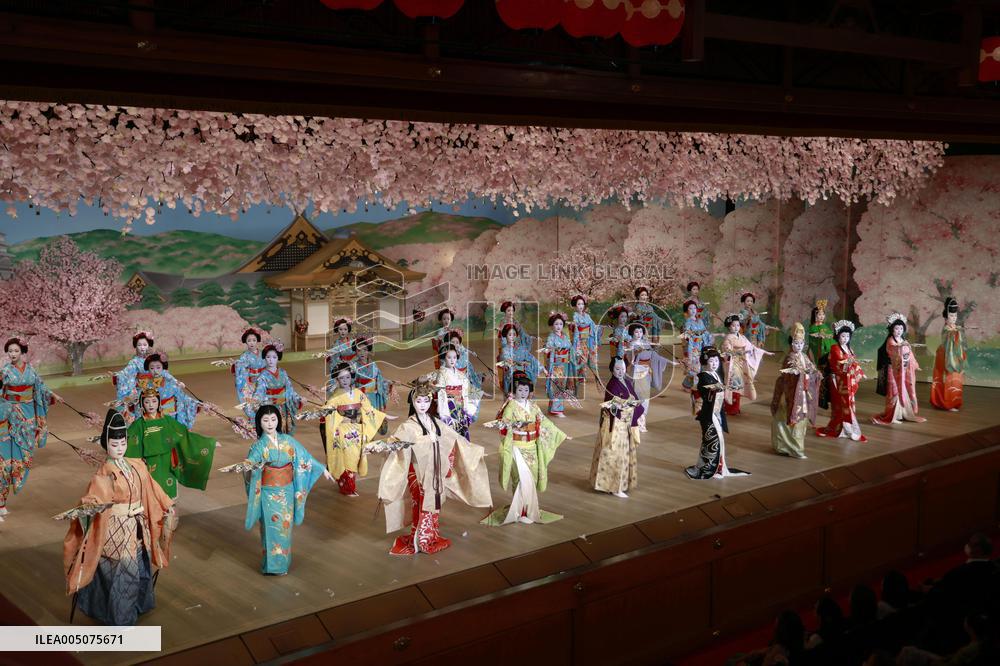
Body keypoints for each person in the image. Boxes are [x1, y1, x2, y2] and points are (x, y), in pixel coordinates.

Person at [62, 410, 175, 625]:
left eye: (123, 443)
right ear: (106, 445)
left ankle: (132, 605)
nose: (120, 448)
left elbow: (152, 486)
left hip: (138, 525)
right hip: (117, 528)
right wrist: (88, 507)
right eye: (115, 444)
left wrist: (167, 504)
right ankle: (122, 619)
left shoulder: (136, 464)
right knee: (124, 574)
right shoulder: (104, 473)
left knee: (139, 567)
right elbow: (94, 498)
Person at [375, 376, 492, 555]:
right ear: (413, 402)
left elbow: (456, 440)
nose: (422, 405)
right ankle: (420, 540)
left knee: (434, 504)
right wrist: (382, 446)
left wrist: (474, 452)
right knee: (422, 503)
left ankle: (429, 536)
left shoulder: (436, 423)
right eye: (418, 401)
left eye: (426, 401)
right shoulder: (408, 426)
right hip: (417, 473)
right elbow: (396, 443)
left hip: (435, 472)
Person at [238, 405, 334, 575]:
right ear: (259, 422)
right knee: (270, 528)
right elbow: (251, 463)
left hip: (287, 492)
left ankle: (282, 565)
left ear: (278, 420)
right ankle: (271, 567)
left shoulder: (288, 441)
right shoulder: (259, 446)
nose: (270, 424)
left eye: (273, 419)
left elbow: (305, 458)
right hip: (268, 493)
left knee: (284, 529)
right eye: (265, 420)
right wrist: (249, 466)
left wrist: (322, 469)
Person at [482, 372, 569, 526]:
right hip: (517, 446)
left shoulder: (533, 406)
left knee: (531, 478)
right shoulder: (511, 405)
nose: (523, 393)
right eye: (520, 390)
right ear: (514, 390)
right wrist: (503, 424)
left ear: (530, 391)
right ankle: (519, 512)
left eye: (526, 390)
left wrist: (561, 434)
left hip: (532, 446)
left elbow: (545, 422)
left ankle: (528, 510)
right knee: (520, 479)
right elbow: (505, 421)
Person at [1, 337, 60, 517]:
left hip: (28, 417)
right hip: (10, 416)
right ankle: (1, 502)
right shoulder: (5, 371)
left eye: (16, 351)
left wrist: (53, 395)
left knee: (23, 454)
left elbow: (41, 388)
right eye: (10, 351)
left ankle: (3, 500)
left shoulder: (31, 370)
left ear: (22, 352)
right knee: (6, 460)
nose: (12, 354)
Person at [126, 388, 216, 500]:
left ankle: (169, 510)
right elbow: (130, 443)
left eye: (154, 401)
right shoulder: (138, 424)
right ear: (142, 404)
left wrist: (208, 443)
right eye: (147, 402)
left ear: (159, 402)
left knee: (167, 490)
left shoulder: (168, 420)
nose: (151, 405)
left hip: (167, 461)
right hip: (148, 462)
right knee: (151, 492)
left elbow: (183, 435)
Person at [685, 347, 750, 479]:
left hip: (716, 413)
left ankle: (717, 468)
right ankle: (709, 469)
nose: (714, 364)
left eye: (716, 361)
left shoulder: (715, 375)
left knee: (717, 441)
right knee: (712, 441)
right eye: (711, 361)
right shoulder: (703, 376)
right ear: (705, 362)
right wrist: (721, 387)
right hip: (708, 414)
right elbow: (707, 390)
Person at [324, 362, 387, 496]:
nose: (345, 380)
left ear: (352, 377)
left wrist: (383, 415)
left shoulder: (359, 393)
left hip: (357, 429)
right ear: (337, 380)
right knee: (346, 457)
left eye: (347, 377)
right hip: (343, 430)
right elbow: (329, 412)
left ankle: (350, 485)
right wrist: (337, 416)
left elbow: (368, 409)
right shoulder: (335, 397)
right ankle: (347, 487)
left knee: (355, 456)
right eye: (341, 378)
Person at [590, 357, 643, 498]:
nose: (621, 371)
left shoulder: (627, 382)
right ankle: (614, 487)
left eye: (623, 369)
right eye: (617, 369)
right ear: (612, 370)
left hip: (625, 423)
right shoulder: (612, 385)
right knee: (615, 453)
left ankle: (620, 484)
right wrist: (626, 406)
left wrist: (636, 405)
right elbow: (612, 406)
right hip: (615, 424)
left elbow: (634, 398)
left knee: (624, 454)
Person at [770, 323, 821, 459]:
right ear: (791, 344)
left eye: (801, 343)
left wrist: (815, 373)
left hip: (801, 393)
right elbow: (789, 373)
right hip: (789, 393)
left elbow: (811, 368)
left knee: (800, 421)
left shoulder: (804, 356)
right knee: (787, 418)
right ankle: (790, 447)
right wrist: (802, 374)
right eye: (796, 343)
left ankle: (793, 447)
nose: (799, 346)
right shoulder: (790, 358)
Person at [816, 320, 868, 442]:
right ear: (838, 336)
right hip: (838, 381)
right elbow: (837, 365)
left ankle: (848, 428)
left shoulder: (849, 349)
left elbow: (854, 363)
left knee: (849, 404)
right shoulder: (835, 348)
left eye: (847, 336)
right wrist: (847, 365)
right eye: (843, 336)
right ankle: (840, 428)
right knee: (840, 405)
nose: (845, 339)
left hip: (849, 380)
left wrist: (860, 373)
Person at [872, 313, 927, 425]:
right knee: (894, 392)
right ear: (892, 329)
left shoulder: (902, 340)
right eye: (896, 328)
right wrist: (900, 346)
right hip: (892, 369)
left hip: (902, 370)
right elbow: (893, 351)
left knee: (903, 390)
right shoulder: (891, 341)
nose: (899, 331)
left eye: (901, 328)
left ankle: (901, 413)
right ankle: (892, 415)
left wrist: (915, 364)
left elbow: (909, 354)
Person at [626, 322, 677, 432]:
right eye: (636, 332)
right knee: (638, 397)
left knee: (645, 398)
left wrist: (670, 361)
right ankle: (636, 421)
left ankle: (642, 420)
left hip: (646, 372)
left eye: (640, 331)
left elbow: (655, 356)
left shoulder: (646, 343)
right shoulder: (631, 344)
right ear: (632, 333)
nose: (639, 334)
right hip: (637, 372)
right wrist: (636, 352)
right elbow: (631, 360)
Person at [720, 313, 773, 416]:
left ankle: (736, 407)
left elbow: (752, 347)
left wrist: (764, 352)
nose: (736, 327)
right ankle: (730, 408)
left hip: (742, 363)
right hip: (733, 365)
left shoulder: (742, 337)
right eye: (733, 325)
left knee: (741, 385)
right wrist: (739, 353)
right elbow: (727, 352)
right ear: (729, 327)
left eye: (737, 325)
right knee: (734, 385)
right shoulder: (728, 339)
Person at [251, 342, 304, 434]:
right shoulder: (262, 376)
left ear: (278, 358)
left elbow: (290, 390)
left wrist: (299, 399)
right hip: (270, 408)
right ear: (264, 358)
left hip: (284, 408)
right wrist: (255, 400)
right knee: (273, 431)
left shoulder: (283, 372)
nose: (271, 360)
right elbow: (259, 392)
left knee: (285, 431)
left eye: (274, 357)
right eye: (268, 357)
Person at [135, 353, 199, 428]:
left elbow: (184, 398)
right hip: (153, 418)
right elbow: (139, 401)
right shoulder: (145, 385)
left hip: (170, 417)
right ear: (148, 369)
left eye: (158, 367)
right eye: (152, 368)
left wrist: (199, 404)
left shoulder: (171, 384)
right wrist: (132, 400)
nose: (155, 371)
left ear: (163, 368)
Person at [434, 344, 479, 439]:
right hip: (449, 406)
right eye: (449, 357)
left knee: (461, 431)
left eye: (454, 357)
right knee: (451, 433)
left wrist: (467, 408)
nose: (452, 360)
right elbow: (441, 393)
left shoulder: (460, 374)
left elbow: (468, 389)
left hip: (460, 405)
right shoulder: (442, 374)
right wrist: (444, 414)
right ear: (444, 358)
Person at [930, 298, 967, 412]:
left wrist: (959, 331)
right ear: (946, 318)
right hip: (946, 356)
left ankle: (955, 401)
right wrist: (958, 332)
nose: (954, 318)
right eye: (951, 315)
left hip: (955, 355)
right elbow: (950, 339)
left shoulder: (956, 328)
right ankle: (947, 402)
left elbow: (960, 342)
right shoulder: (947, 329)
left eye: (955, 315)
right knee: (948, 378)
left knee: (957, 379)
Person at [114, 331, 155, 422]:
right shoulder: (134, 362)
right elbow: (126, 374)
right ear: (135, 346)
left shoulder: (153, 358)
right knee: (141, 406)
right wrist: (119, 375)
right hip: (142, 389)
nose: (142, 347)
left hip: (156, 386)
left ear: (149, 345)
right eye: (139, 345)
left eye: (145, 345)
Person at [542, 311, 575, 417]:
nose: (558, 326)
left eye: (560, 324)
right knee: (557, 385)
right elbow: (548, 347)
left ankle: (553, 408)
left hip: (564, 364)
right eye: (556, 324)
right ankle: (558, 410)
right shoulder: (551, 337)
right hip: (556, 364)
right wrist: (549, 349)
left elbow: (570, 347)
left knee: (561, 385)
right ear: (552, 325)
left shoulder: (565, 336)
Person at [680, 299, 715, 394]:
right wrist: (696, 335)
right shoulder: (687, 322)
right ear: (686, 311)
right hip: (693, 347)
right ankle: (695, 387)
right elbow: (687, 335)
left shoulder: (700, 321)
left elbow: (705, 332)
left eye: (694, 308)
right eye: (690, 308)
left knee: (701, 366)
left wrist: (709, 336)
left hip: (701, 346)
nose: (693, 310)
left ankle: (687, 384)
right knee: (695, 367)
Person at [497, 323, 539, 397]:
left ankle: (528, 392)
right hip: (512, 370)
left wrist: (527, 363)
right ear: (506, 336)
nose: (512, 337)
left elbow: (528, 356)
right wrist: (519, 363)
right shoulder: (505, 349)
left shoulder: (520, 347)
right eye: (510, 335)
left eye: (514, 334)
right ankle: (512, 393)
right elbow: (506, 360)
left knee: (529, 371)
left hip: (522, 368)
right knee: (512, 374)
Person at [234, 327, 266, 419]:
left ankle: (265, 416)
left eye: (254, 340)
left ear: (257, 341)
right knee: (251, 400)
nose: (252, 343)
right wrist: (248, 382)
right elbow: (241, 371)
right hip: (251, 382)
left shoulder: (263, 353)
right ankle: (254, 418)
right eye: (249, 340)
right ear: (246, 342)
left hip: (264, 380)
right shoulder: (244, 356)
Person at [808, 300, 835, 409]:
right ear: (814, 316)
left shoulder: (825, 326)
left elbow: (831, 338)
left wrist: (832, 333)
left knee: (827, 377)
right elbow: (813, 341)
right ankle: (818, 399)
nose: (821, 316)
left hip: (827, 355)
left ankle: (826, 398)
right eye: (819, 314)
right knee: (820, 377)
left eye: (823, 314)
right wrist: (821, 338)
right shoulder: (812, 327)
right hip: (819, 356)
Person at [569, 295, 600, 390]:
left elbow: (592, 325)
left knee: (592, 358)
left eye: (582, 304)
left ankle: (596, 376)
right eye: (578, 304)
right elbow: (576, 328)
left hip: (588, 341)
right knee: (581, 360)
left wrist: (597, 328)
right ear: (575, 306)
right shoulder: (575, 316)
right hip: (580, 341)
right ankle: (580, 379)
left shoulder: (587, 316)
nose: (581, 306)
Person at [324, 318, 356, 399]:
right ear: (337, 330)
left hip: (353, 366)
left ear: (348, 330)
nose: (343, 332)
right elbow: (334, 362)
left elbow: (358, 354)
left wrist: (354, 365)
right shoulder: (335, 344)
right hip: (342, 368)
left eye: (345, 329)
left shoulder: (353, 342)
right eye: (340, 329)